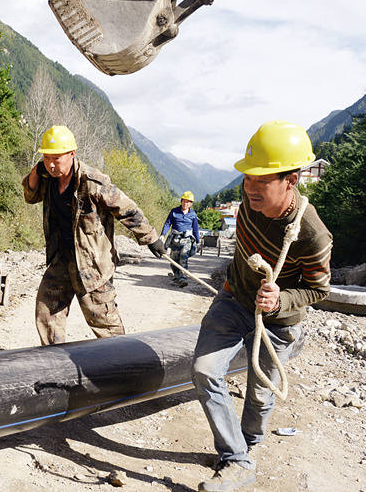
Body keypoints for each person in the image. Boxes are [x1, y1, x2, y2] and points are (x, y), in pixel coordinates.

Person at [191, 120, 332, 492]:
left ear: (291, 180)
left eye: (262, 182)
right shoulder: (248, 203)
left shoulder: (311, 235)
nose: (251, 189)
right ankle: (236, 460)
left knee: (259, 393)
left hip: (279, 322)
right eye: (248, 179)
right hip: (233, 300)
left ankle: (247, 446)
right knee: (205, 371)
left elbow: (318, 289)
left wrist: (280, 299)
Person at [23, 125, 166, 345]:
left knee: (105, 322)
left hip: (92, 264)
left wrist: (151, 238)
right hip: (62, 257)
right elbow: (30, 196)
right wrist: (37, 169)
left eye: (56, 158)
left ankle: (124, 365)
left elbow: (126, 208)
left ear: (72, 154)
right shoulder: (47, 177)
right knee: (47, 311)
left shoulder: (92, 181)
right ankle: (55, 362)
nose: (51, 164)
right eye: (46, 158)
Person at [161, 191, 200, 287]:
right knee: (174, 259)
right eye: (184, 201)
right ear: (181, 201)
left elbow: (195, 228)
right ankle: (177, 276)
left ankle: (183, 277)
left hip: (187, 239)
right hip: (175, 239)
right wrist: (163, 235)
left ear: (191, 203)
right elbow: (167, 224)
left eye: (188, 202)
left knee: (183, 256)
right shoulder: (174, 212)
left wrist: (198, 241)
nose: (185, 203)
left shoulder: (193, 214)